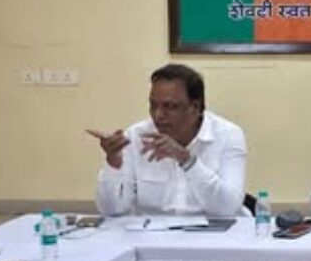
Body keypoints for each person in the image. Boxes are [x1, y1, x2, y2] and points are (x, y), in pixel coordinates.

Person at [90, 64, 246, 217]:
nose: (158, 115)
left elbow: (228, 208)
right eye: (153, 105)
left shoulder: (228, 135)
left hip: (215, 231)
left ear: (195, 107)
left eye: (170, 107)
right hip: (152, 231)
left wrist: (186, 160)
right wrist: (113, 163)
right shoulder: (137, 136)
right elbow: (111, 211)